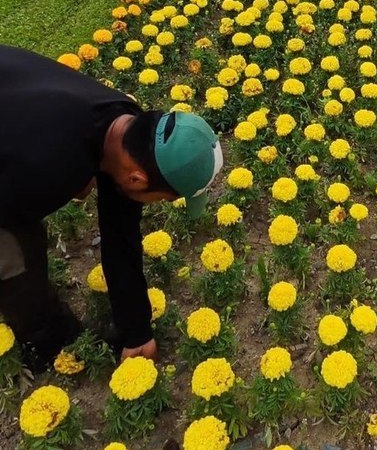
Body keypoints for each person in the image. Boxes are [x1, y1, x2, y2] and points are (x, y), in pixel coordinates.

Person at [0, 44, 223, 369]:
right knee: (15, 254)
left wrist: (136, 332)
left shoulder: (124, 122)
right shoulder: (46, 168)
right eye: (164, 198)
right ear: (137, 179)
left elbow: (121, 235)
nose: (158, 205)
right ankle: (44, 339)